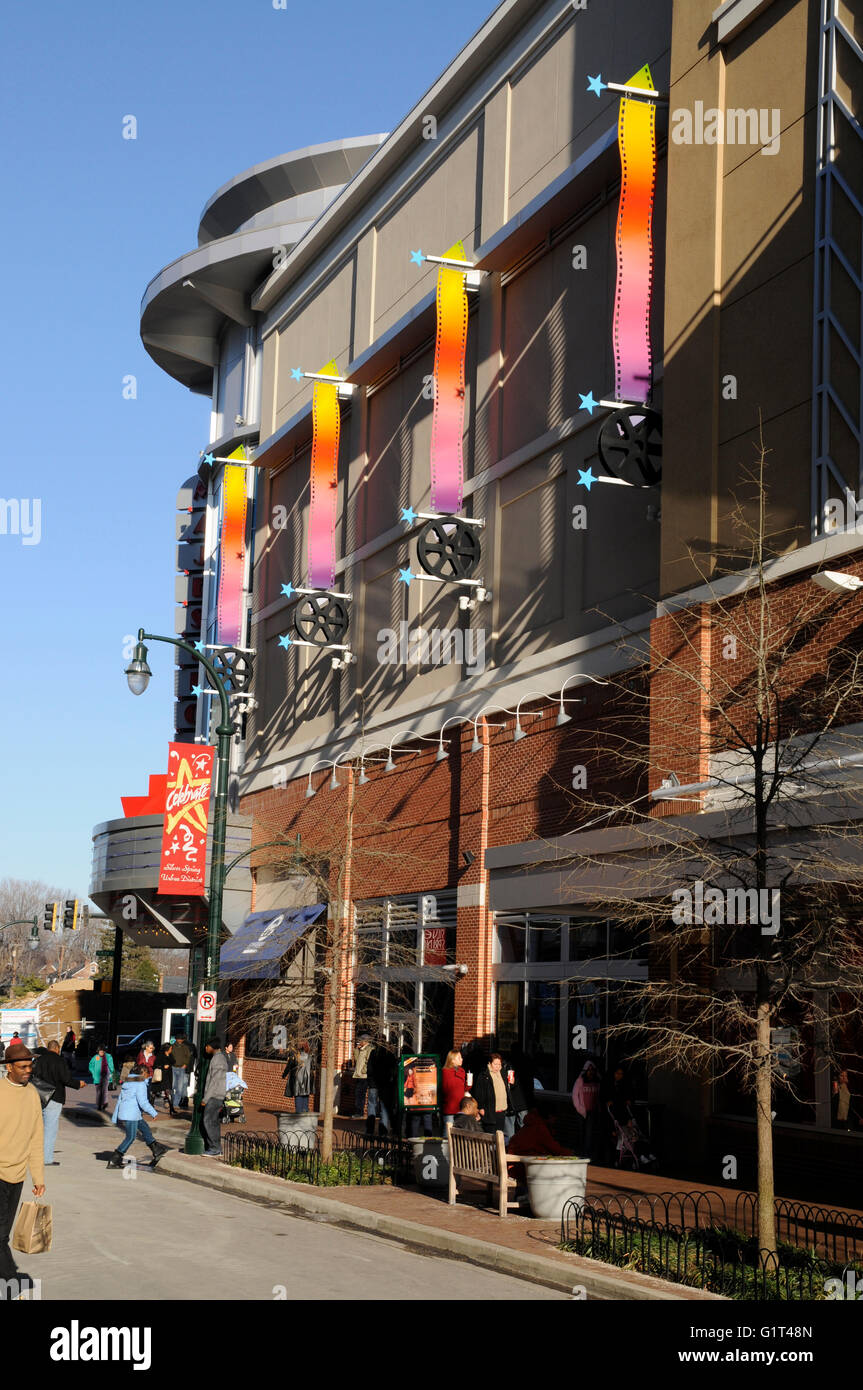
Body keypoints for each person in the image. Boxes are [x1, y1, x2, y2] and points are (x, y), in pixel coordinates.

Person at [0, 1042, 45, 1297]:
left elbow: (36, 1138)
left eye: (30, 1065)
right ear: (9, 1067)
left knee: (3, 1233)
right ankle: (10, 1286)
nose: (29, 1070)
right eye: (23, 1066)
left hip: (17, 1174)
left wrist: (38, 1177)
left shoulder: (31, 1095)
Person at [106, 1065, 167, 1169]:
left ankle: (156, 1150)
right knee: (130, 1137)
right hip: (132, 1114)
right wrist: (153, 1113)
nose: (149, 1075)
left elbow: (120, 1099)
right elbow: (143, 1102)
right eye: (148, 1073)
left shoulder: (128, 1082)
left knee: (145, 1129)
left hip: (130, 1113)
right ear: (143, 1073)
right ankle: (115, 1159)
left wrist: (117, 1114)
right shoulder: (140, 1084)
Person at [32, 1040, 80, 1165]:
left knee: (40, 1129)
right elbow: (66, 1079)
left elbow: (32, 1076)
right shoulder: (60, 1060)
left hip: (40, 1097)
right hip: (55, 1097)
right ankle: (46, 1159)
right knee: (50, 1129)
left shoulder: (39, 1060)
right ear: (57, 1048)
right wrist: (78, 1084)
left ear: (48, 1048)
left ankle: (36, 1156)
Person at [199, 1038, 229, 1157]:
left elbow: (214, 1081)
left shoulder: (218, 1059)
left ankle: (214, 1148)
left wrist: (205, 1098)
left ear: (211, 1047)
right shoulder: (218, 1058)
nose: (206, 1049)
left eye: (207, 1046)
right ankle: (216, 1148)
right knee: (213, 1122)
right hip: (217, 1094)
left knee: (208, 1121)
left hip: (215, 1095)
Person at [470, 1053, 512, 1134]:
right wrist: (481, 1107)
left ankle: (497, 1147)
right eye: (495, 1064)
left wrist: (512, 1083)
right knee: (490, 1135)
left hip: (502, 1111)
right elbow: (478, 1093)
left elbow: (507, 1089)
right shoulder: (484, 1075)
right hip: (489, 1111)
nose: (497, 1066)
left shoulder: (503, 1073)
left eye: (499, 1064)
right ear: (489, 1063)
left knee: (499, 1134)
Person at [572, 1059, 603, 1161]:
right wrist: (580, 1109)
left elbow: (599, 1096)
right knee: (582, 1133)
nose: (590, 1072)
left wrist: (599, 1109)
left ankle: (588, 1153)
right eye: (588, 1070)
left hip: (593, 1111)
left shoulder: (597, 1081)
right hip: (582, 1111)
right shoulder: (580, 1080)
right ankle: (582, 1152)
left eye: (592, 1070)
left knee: (590, 1133)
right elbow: (575, 1096)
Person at [365, 1038, 396, 1137]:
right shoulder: (390, 1054)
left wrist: (371, 1080)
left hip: (374, 1084)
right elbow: (393, 1070)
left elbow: (369, 1069)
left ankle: (370, 1130)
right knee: (384, 1108)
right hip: (385, 1085)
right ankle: (383, 1131)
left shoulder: (373, 1053)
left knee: (371, 1106)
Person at [282, 1042, 313, 1115]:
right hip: (307, 1078)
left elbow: (289, 1066)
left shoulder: (295, 1056)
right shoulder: (310, 1056)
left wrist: (284, 1075)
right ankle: (305, 1110)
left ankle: (299, 1112)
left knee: (298, 1094)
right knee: (305, 1094)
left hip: (297, 1078)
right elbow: (313, 1067)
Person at [441, 1049, 468, 1129]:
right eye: (459, 1057)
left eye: (461, 1057)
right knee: (448, 1133)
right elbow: (445, 1089)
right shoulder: (445, 1072)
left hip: (460, 1108)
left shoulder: (462, 1071)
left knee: (459, 1134)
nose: (462, 1059)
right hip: (450, 1107)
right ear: (452, 1060)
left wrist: (469, 1083)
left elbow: (464, 1089)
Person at [352, 1034, 373, 1119]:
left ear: (365, 1041)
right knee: (358, 1094)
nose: (359, 1042)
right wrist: (356, 1050)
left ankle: (359, 1112)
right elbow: (357, 1060)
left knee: (360, 1095)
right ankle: (358, 1111)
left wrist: (364, 1070)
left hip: (364, 1076)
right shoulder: (361, 1049)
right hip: (358, 1075)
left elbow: (368, 1061)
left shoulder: (369, 1049)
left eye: (361, 1040)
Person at [88, 1045, 116, 1112]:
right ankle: (99, 1104)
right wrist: (93, 1072)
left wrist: (112, 1073)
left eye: (102, 1051)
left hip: (106, 1076)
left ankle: (104, 1103)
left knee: (105, 1091)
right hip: (97, 1077)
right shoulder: (95, 1057)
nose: (101, 1053)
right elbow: (90, 1065)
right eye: (100, 1051)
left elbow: (111, 1066)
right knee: (99, 1092)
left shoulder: (108, 1057)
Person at [171, 1032, 193, 1110]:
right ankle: (171, 1102)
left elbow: (188, 1056)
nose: (180, 1040)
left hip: (181, 1068)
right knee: (172, 1086)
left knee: (179, 1087)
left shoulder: (185, 1047)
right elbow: (169, 1055)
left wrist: (185, 1064)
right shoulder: (172, 1046)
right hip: (173, 1068)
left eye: (181, 1039)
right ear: (176, 1039)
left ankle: (175, 1104)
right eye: (178, 1039)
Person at [151, 1041, 175, 1115]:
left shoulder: (170, 1055)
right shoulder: (160, 1056)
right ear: (167, 1049)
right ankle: (151, 1107)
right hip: (160, 1077)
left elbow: (174, 1061)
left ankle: (171, 1109)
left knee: (169, 1092)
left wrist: (168, 1056)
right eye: (170, 1048)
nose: (171, 1050)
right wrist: (162, 1066)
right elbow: (155, 1066)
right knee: (154, 1092)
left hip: (167, 1077)